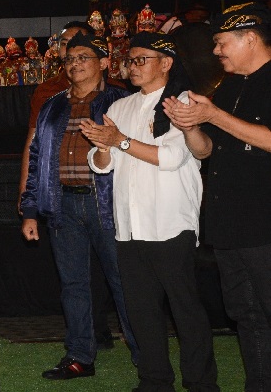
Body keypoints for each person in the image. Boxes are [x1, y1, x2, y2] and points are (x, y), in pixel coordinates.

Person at [81, 31, 219, 392]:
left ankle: (201, 382)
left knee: (185, 309)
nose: (132, 67)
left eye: (141, 59)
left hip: (171, 222)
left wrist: (119, 142)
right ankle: (155, 381)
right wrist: (104, 147)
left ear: (166, 63)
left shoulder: (183, 102)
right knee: (141, 312)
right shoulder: (120, 106)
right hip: (129, 227)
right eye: (130, 60)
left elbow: (172, 157)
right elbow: (100, 165)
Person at [164, 1, 271, 392]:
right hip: (230, 225)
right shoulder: (227, 87)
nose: (215, 51)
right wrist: (190, 124)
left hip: (266, 224)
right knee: (246, 315)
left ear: (250, 38)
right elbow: (207, 150)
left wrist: (214, 116)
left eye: (221, 42)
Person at [21, 32, 139, 380]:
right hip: (63, 205)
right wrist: (30, 209)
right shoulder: (52, 104)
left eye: (83, 57)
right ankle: (79, 357)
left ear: (104, 62)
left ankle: (146, 357)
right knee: (72, 284)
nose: (74, 64)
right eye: (70, 59)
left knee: (124, 283)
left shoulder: (122, 101)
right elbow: (38, 158)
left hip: (109, 205)